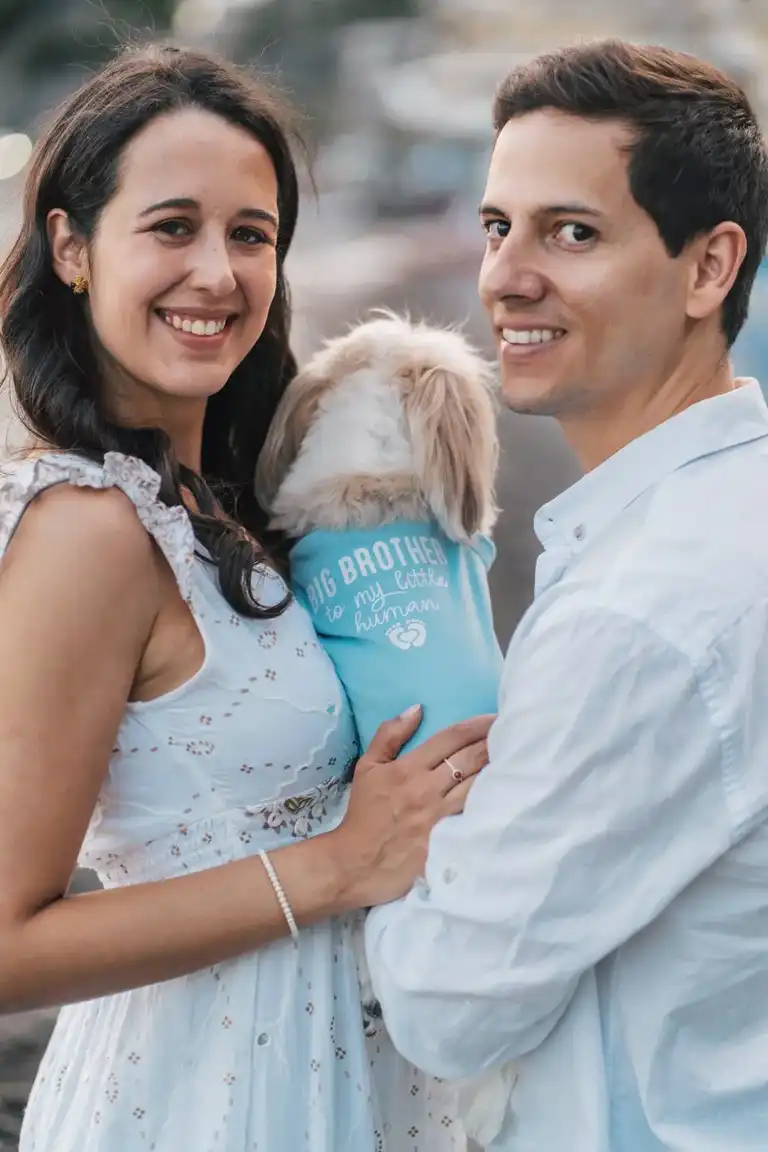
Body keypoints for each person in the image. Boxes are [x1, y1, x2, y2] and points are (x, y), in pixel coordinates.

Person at [0, 44, 491, 1152]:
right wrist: (336, 864)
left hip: (343, 1070)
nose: (217, 274)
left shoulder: (221, 503)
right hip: (198, 1099)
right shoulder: (89, 528)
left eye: (251, 234)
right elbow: (6, 943)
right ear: (72, 247)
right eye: (172, 227)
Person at [365, 39, 768, 1152]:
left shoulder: (645, 611)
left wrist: (380, 844)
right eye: (499, 227)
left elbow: (448, 1004)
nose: (505, 276)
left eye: (571, 233)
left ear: (709, 267)